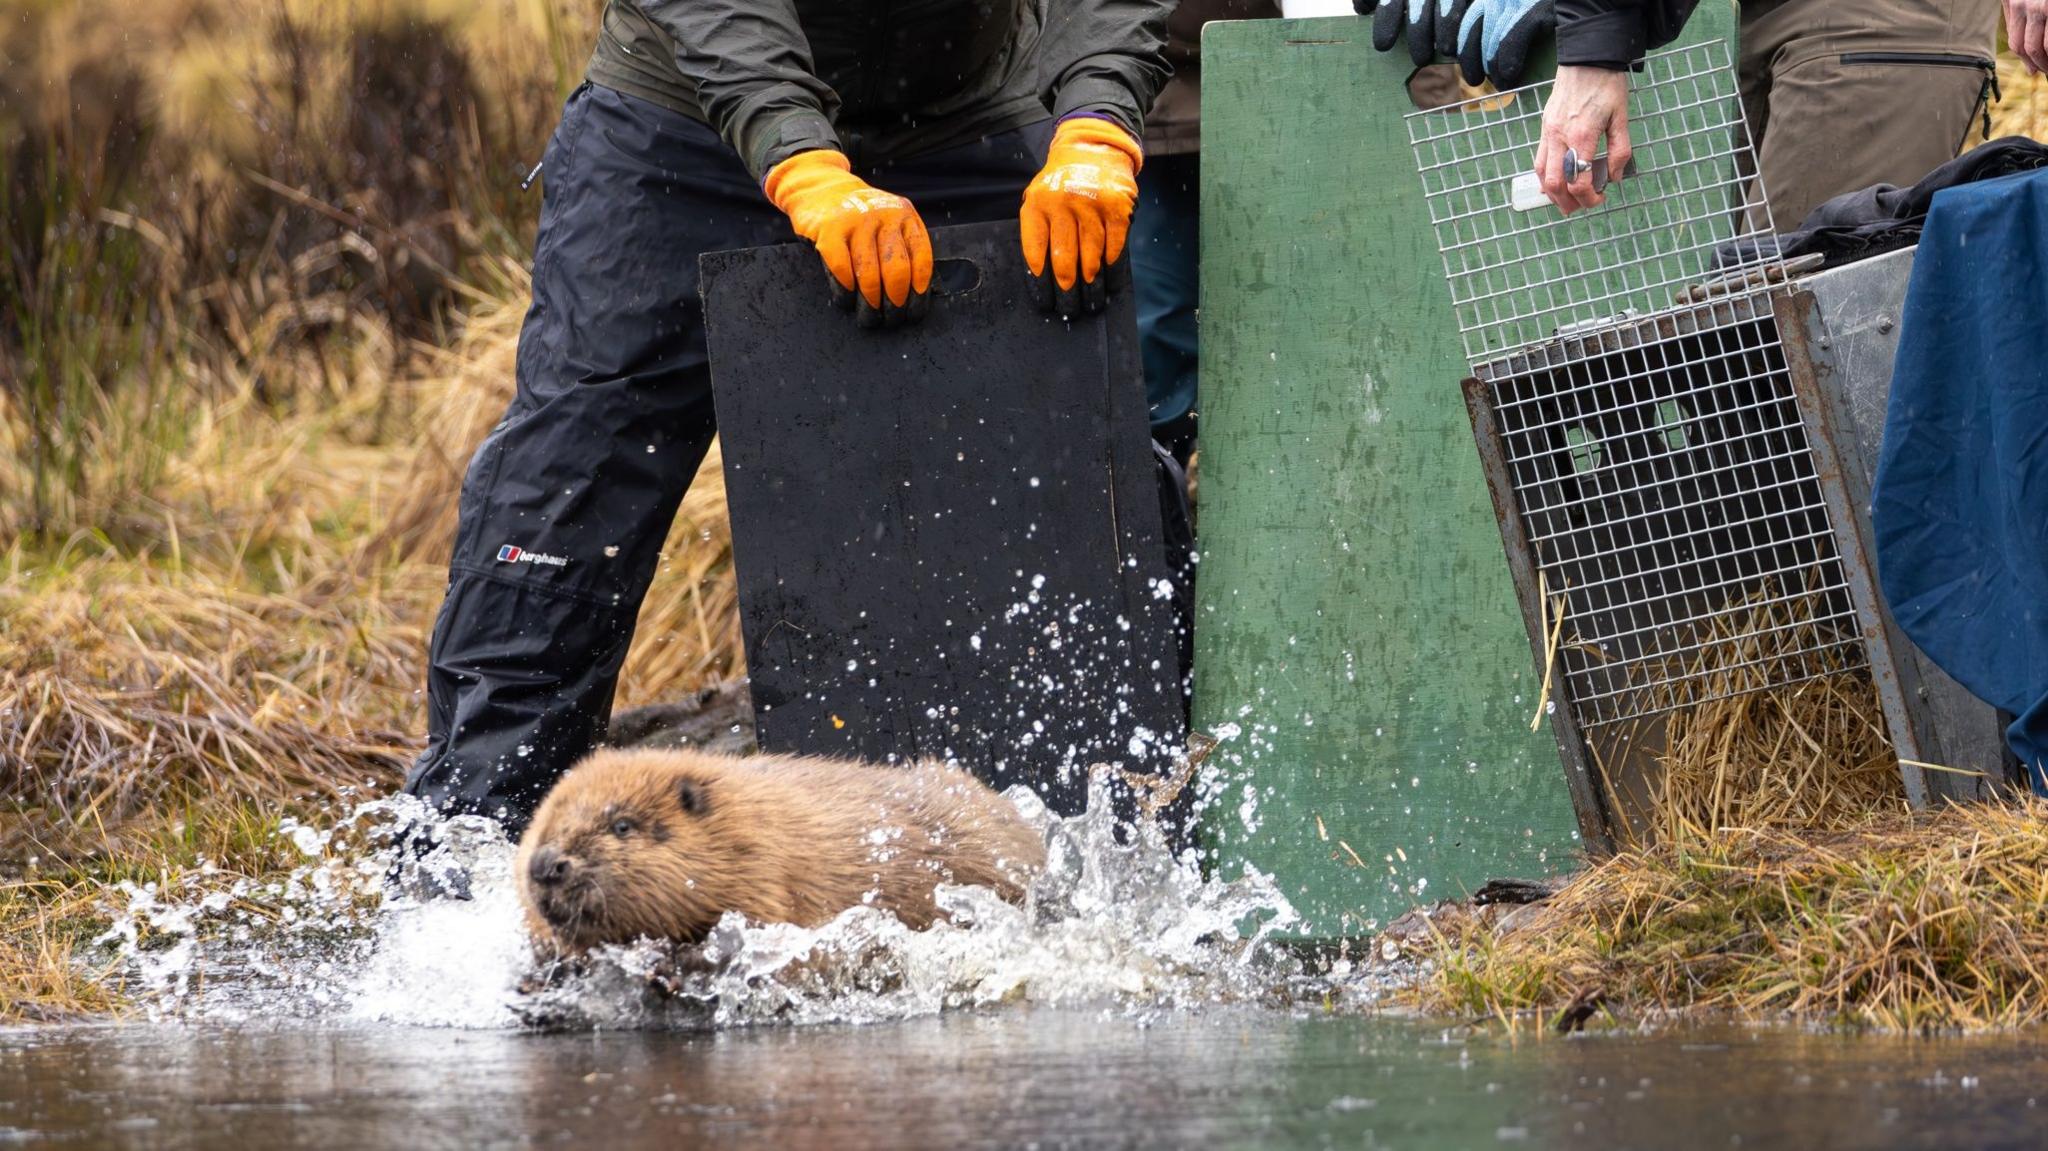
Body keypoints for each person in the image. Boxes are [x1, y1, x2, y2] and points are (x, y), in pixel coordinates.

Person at [402, 0, 1174, 836]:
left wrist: (1096, 119)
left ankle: (1096, 872)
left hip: (962, 115)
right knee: (573, 482)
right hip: (682, 123)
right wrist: (801, 161)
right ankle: (468, 854)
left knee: (1063, 492)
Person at [1532, 0, 1999, 221]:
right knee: (1720, 321)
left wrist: (1591, 41)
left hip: (1879, 16)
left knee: (1789, 317)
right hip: (1735, 14)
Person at [1129, 0, 1280, 468]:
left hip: (1305, 90)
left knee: (1288, 310)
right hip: (1158, 104)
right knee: (1157, 323)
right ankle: (1163, 490)